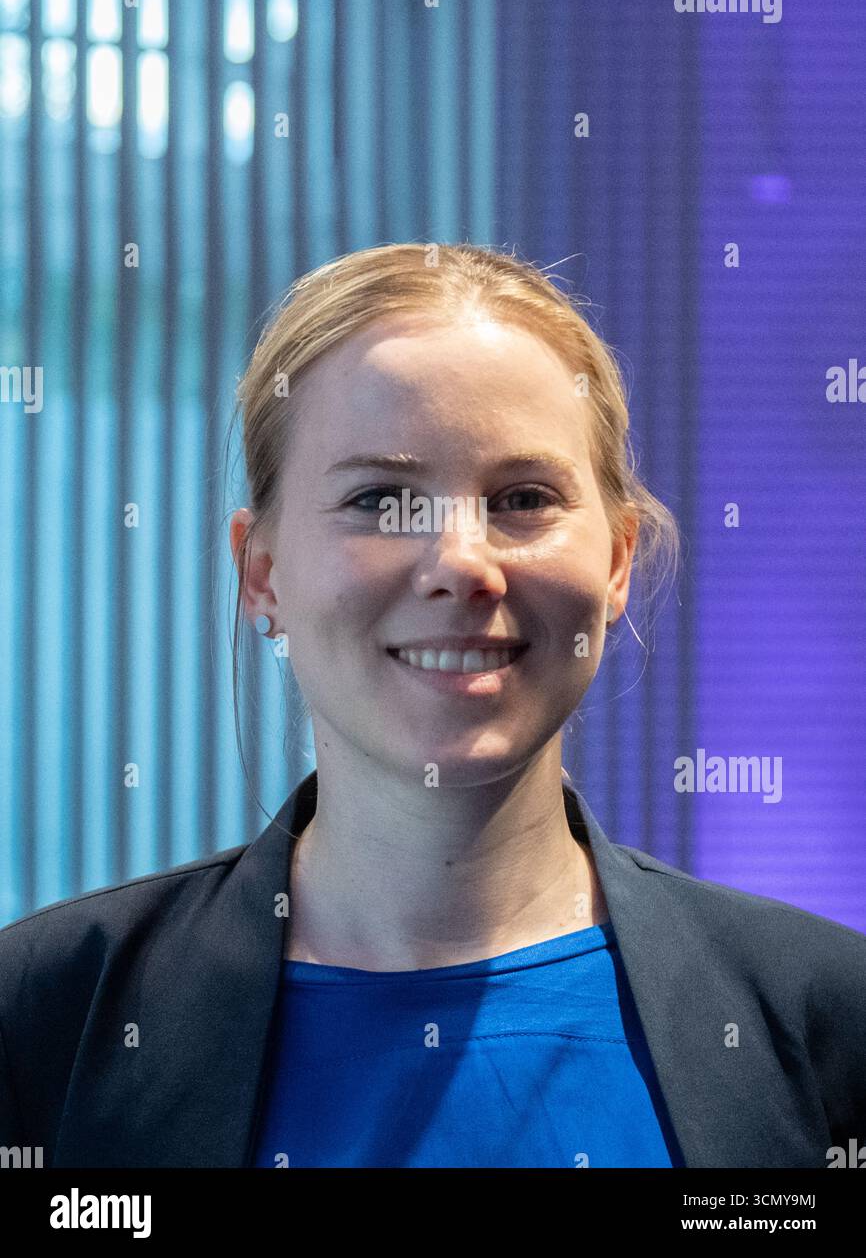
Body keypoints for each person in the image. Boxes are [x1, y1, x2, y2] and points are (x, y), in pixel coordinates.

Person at [1, 242, 864, 1169]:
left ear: (616, 563)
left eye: (523, 498)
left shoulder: (827, 1019)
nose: (460, 564)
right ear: (263, 573)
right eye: (379, 499)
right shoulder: (44, 1020)